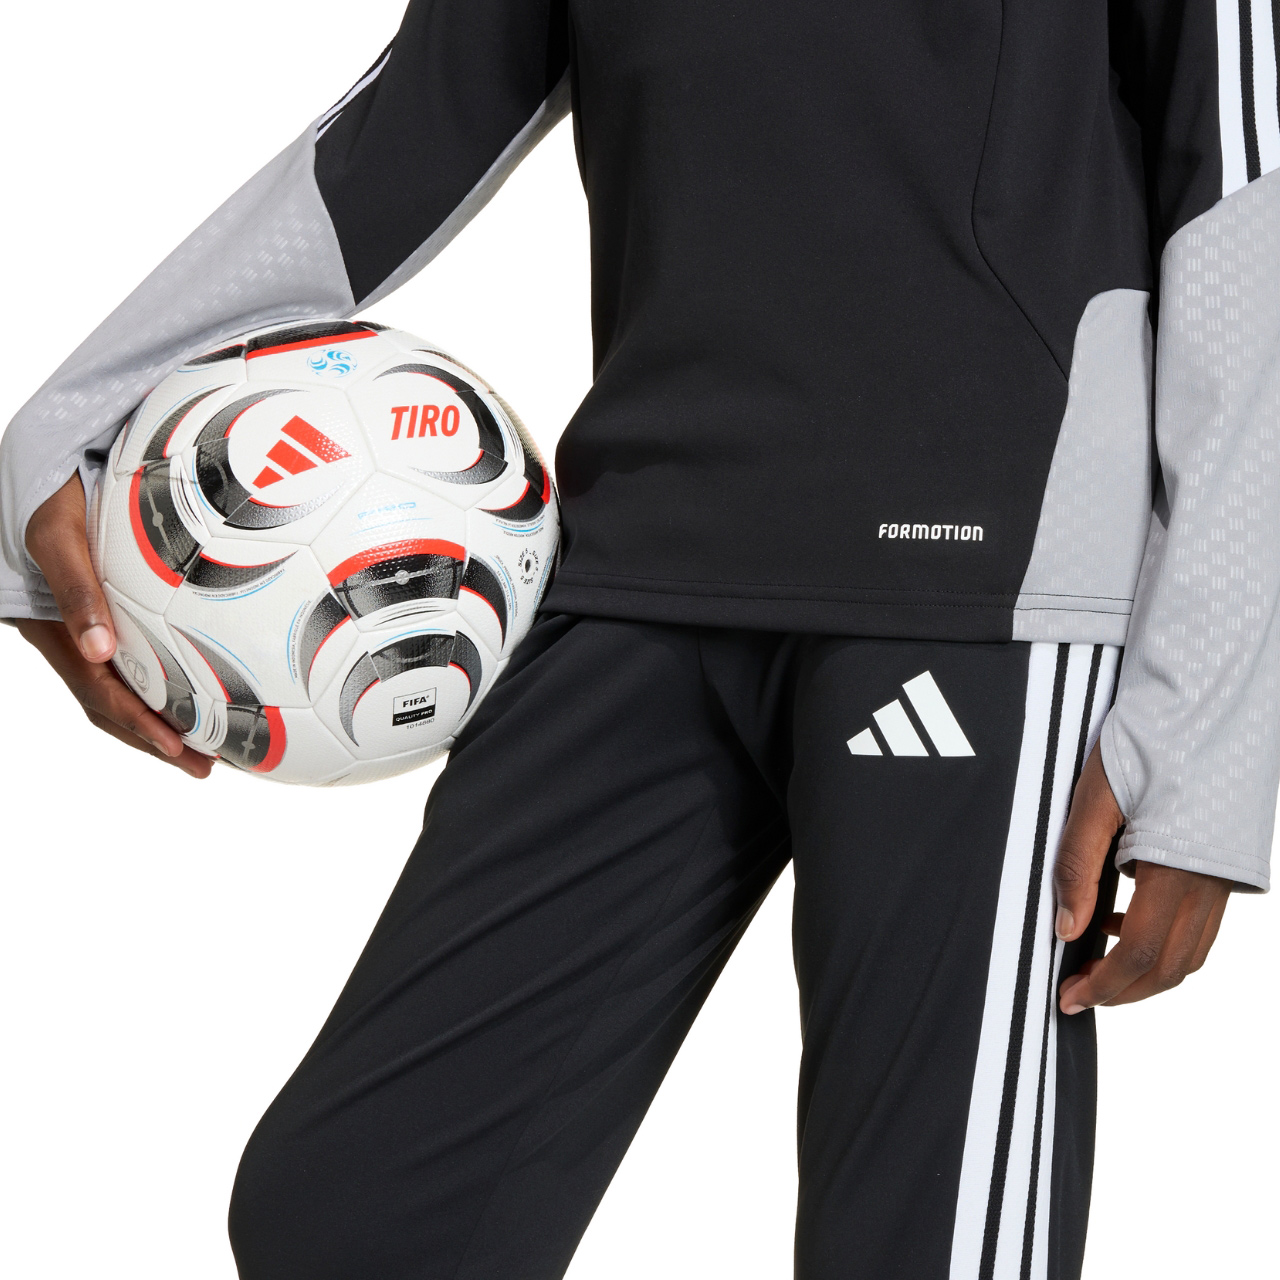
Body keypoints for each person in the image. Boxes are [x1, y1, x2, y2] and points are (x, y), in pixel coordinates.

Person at [0, 2, 1270, 1276]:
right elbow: (402, 132)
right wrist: (62, 437)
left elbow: (1244, 211)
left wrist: (1203, 753)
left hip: (988, 596)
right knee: (348, 1219)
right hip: (642, 562)